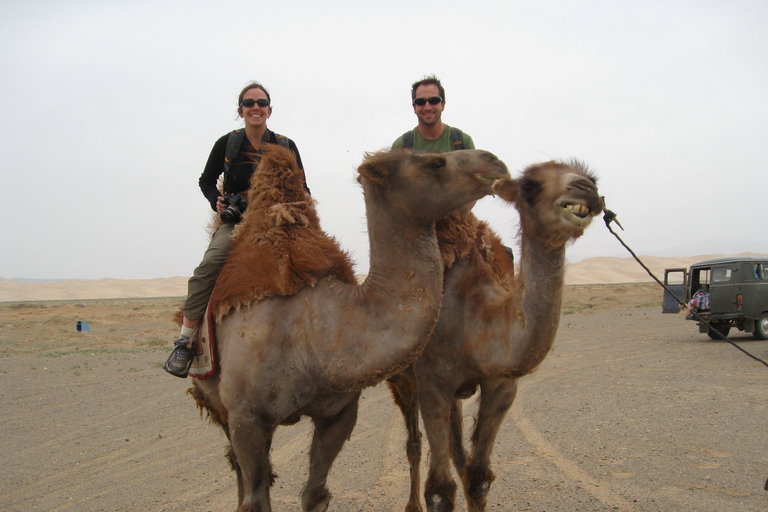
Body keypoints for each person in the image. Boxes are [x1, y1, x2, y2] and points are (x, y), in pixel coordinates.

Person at [163, 81, 307, 378]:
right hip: (238, 222)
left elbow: (303, 187)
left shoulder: (286, 145)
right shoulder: (227, 144)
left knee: (314, 264)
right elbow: (206, 179)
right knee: (209, 266)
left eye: (261, 103)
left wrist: (288, 207)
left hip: (278, 221)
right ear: (240, 110)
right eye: (249, 103)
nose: (256, 107)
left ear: (270, 109)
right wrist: (215, 199)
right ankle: (185, 341)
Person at [392, 75, 475, 152]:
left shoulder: (463, 142)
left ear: (443, 105)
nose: (427, 107)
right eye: (420, 102)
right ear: (414, 107)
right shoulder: (400, 147)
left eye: (434, 101)